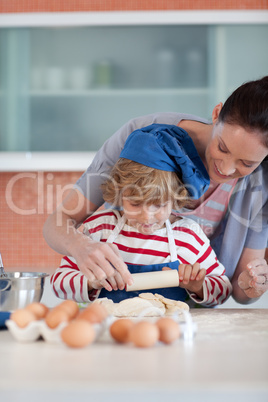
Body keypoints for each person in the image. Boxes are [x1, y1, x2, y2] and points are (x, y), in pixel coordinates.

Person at [44, 76, 268, 305]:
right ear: (216, 113)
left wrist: (253, 282)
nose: (226, 169)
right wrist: (81, 247)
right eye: (222, 147)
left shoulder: (190, 235)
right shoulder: (140, 139)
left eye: (247, 164)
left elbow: (237, 291)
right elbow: (60, 223)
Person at [51, 124, 232, 307]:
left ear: (175, 197)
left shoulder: (189, 236)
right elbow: (59, 283)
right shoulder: (100, 229)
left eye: (159, 204)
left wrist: (198, 286)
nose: (147, 217)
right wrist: (91, 282)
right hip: (111, 332)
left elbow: (223, 288)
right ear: (120, 193)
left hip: (169, 332)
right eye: (135, 203)